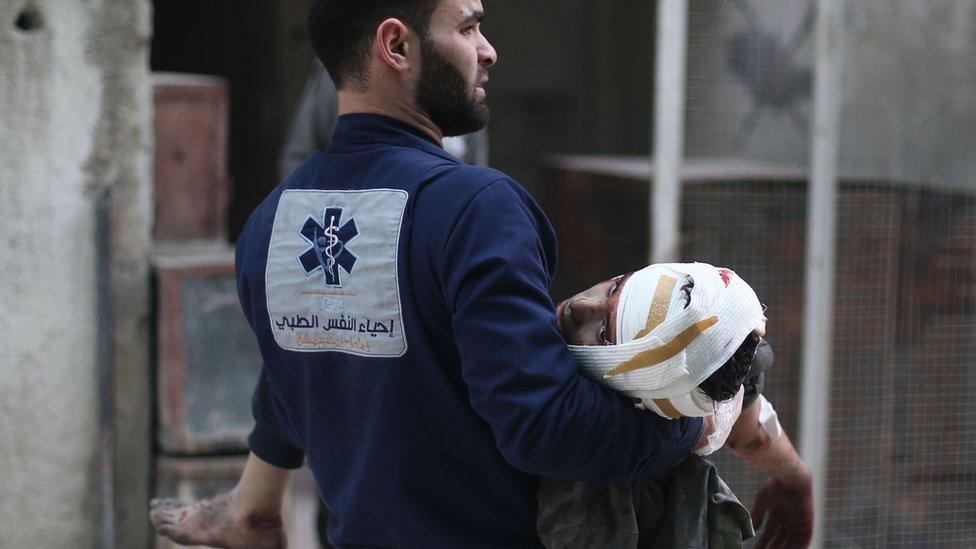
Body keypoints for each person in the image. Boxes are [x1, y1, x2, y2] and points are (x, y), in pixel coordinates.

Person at [151, 1, 714, 547]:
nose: (488, 51)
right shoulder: (476, 208)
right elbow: (544, 425)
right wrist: (690, 427)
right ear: (397, 45)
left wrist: (253, 503)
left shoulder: (269, 225)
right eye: (468, 29)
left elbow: (294, 381)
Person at [152, 263, 813, 548]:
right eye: (612, 289)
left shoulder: (574, 409)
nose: (579, 311)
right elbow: (738, 418)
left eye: (600, 330)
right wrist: (794, 476)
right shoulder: (691, 409)